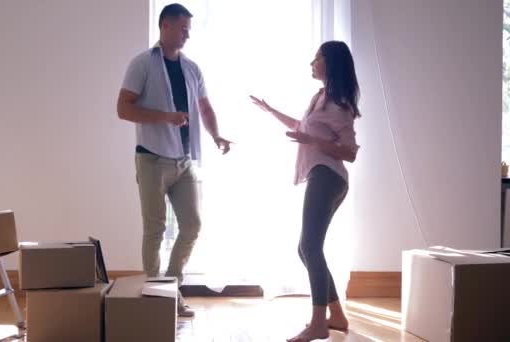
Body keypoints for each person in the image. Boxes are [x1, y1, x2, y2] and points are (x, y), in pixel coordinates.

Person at [117, 3, 231, 318]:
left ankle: (170, 289)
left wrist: (217, 135)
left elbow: (205, 108)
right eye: (183, 28)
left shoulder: (192, 68)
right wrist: (165, 117)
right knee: (154, 229)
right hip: (151, 159)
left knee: (192, 225)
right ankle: (155, 297)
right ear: (165, 26)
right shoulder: (142, 63)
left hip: (185, 161)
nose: (188, 34)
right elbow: (123, 109)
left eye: (189, 29)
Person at [250, 40, 360, 341]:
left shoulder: (339, 104)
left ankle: (318, 323)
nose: (312, 63)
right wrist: (270, 110)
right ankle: (335, 315)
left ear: (331, 64)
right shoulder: (321, 97)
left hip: (328, 176)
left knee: (310, 247)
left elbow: (350, 152)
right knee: (306, 248)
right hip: (322, 176)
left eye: (317, 58)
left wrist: (312, 142)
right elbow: (302, 126)